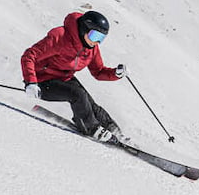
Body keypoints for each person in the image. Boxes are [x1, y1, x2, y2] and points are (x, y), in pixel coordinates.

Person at [21, 10, 127, 142]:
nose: (96, 42)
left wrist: (115, 74)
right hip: (41, 81)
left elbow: (98, 71)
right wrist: (31, 82)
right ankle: (91, 128)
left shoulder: (91, 48)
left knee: (90, 103)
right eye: (95, 36)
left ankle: (114, 131)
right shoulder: (60, 37)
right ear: (84, 29)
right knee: (78, 95)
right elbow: (29, 56)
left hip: (64, 79)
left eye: (101, 38)